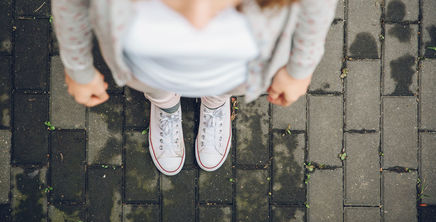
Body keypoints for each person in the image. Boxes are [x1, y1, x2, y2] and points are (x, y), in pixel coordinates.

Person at [52, 0, 337, 176]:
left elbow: (316, 5)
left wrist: (301, 68)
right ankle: (166, 105)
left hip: (234, 73)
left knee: (226, 87)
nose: (197, 21)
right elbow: (72, 4)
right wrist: (77, 68)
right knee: (154, 87)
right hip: (148, 71)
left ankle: (215, 102)